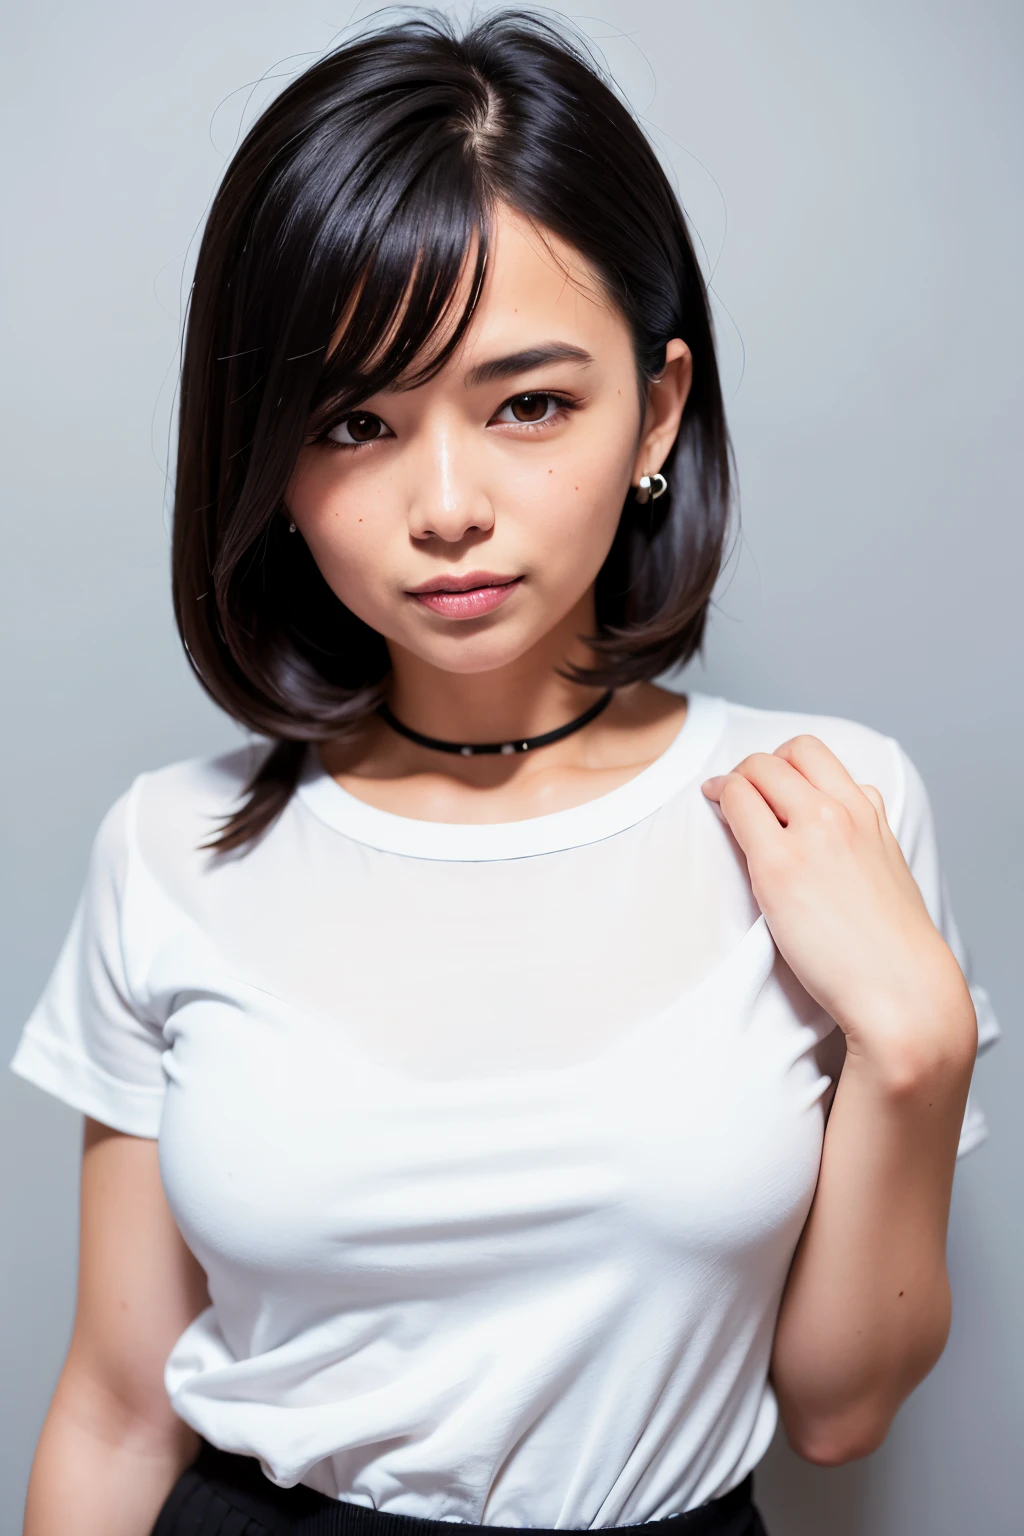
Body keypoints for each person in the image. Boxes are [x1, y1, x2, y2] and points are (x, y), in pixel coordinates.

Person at [9, 12, 1000, 1536]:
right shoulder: (173, 844)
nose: (450, 505)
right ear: (275, 463)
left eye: (528, 402)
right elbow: (119, 1407)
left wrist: (922, 1045)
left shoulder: (825, 812)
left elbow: (839, 1412)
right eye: (358, 422)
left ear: (657, 410)